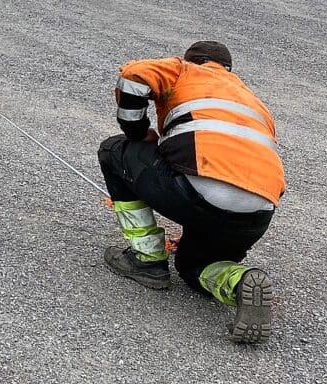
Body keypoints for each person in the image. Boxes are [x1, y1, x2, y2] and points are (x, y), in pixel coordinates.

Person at [98, 41, 285, 344]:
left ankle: (147, 259)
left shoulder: (185, 70)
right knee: (194, 266)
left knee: (112, 151)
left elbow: (134, 75)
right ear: (228, 70)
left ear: (195, 60)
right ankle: (239, 281)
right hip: (257, 211)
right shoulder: (253, 100)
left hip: (199, 189)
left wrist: (138, 133)